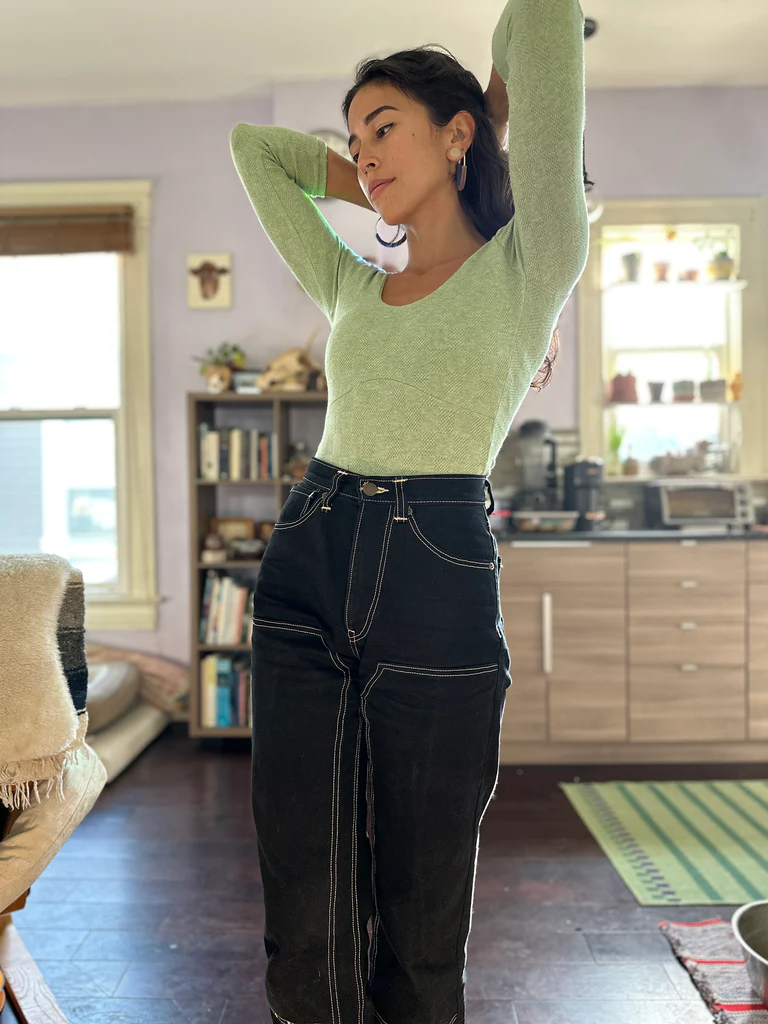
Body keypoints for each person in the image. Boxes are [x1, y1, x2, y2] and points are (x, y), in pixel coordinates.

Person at [230, 0, 589, 1021]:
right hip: (308, 553)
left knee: (425, 899)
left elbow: (549, 19)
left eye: (383, 125)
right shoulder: (354, 288)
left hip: (433, 569)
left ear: (460, 129)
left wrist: (486, 124)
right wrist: (383, 179)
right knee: (304, 884)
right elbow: (255, 148)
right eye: (353, 138)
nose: (363, 154)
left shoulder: (530, 270)